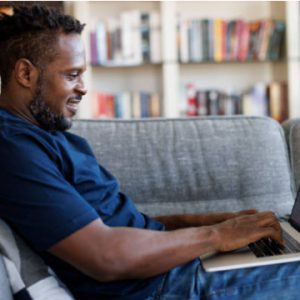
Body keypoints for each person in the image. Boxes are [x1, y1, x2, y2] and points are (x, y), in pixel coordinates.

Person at [0, 5, 299, 300]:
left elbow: (123, 227)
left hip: (171, 272)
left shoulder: (46, 133)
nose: (83, 88)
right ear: (26, 73)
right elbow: (105, 257)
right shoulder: (12, 149)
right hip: (163, 288)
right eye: (71, 75)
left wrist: (215, 222)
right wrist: (217, 236)